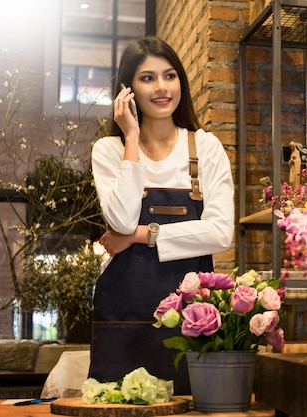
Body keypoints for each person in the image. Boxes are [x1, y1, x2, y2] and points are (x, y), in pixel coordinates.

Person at [89, 36, 234, 394]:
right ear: (129, 89)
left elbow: (219, 233)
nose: (161, 88)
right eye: (147, 78)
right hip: (123, 314)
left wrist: (142, 235)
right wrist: (132, 137)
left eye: (169, 76)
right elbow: (121, 221)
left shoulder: (206, 147)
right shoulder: (111, 149)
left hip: (192, 315)